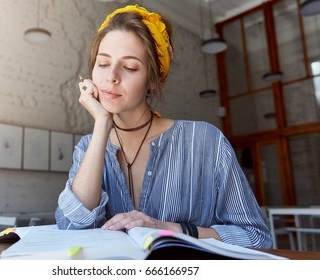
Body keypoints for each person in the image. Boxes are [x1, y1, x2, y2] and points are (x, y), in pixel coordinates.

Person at [55, 4, 272, 248]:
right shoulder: (88, 147)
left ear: (155, 81)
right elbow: (71, 226)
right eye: (103, 64)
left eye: (130, 67)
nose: (111, 76)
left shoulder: (204, 141)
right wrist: (102, 123)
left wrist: (170, 229)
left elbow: (256, 237)